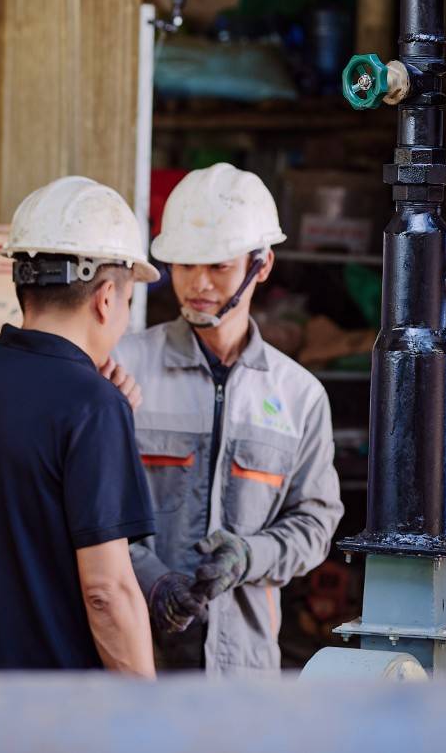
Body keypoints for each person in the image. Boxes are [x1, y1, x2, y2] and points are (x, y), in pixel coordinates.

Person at [0, 176, 159, 674]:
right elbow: (107, 592)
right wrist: (146, 706)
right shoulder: (93, 407)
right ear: (106, 299)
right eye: (128, 301)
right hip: (45, 703)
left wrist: (102, 414)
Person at [113, 163, 343, 675]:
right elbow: (89, 507)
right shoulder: (123, 369)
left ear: (262, 265)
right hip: (137, 664)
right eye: (184, 265)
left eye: (218, 266)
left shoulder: (299, 396)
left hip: (244, 674)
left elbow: (315, 522)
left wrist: (250, 555)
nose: (198, 284)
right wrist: (151, 580)